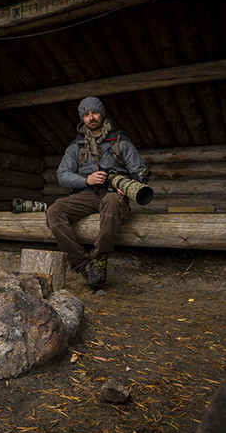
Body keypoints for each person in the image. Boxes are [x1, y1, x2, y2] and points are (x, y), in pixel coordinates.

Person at [45, 96, 150, 290]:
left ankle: (99, 259)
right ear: (82, 119)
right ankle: (83, 264)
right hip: (84, 195)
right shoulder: (75, 147)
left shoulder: (121, 141)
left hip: (112, 195)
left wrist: (128, 186)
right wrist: (86, 179)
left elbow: (139, 171)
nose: (91, 117)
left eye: (94, 113)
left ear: (102, 114)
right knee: (54, 212)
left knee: (112, 203)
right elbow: (62, 175)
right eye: (86, 114)